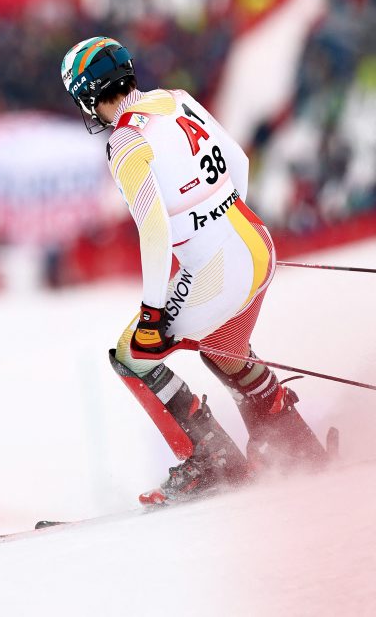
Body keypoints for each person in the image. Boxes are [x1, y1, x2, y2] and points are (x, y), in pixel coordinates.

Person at [60, 35, 328, 504]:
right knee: (224, 349)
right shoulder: (175, 99)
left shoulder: (125, 141)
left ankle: (211, 463)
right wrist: (221, 223)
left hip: (219, 270)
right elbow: (239, 161)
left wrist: (152, 313)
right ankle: (292, 445)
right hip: (258, 244)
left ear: (89, 97)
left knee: (131, 356)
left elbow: (154, 232)